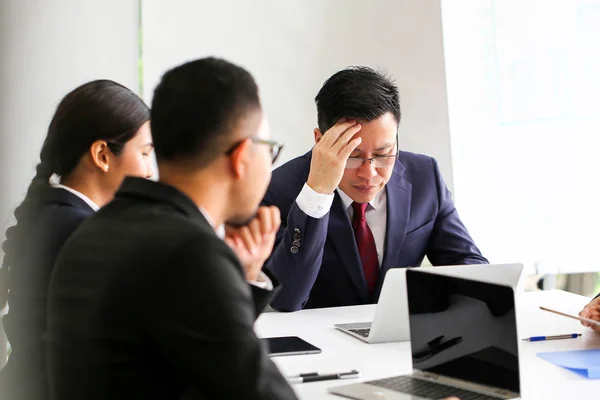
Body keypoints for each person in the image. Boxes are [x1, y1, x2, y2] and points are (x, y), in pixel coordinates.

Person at [45, 58, 297, 400]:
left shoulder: (99, 227)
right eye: (270, 151)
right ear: (241, 157)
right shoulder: (189, 252)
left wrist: (242, 276)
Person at [262, 67, 488, 311]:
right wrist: (317, 192)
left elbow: (466, 261)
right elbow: (286, 300)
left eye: (382, 154)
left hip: (401, 339)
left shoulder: (424, 176)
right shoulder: (279, 189)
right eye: (352, 155)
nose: (368, 173)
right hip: (323, 345)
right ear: (320, 142)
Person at [0, 80, 153, 400]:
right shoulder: (81, 233)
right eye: (144, 153)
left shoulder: (55, 216)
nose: (150, 171)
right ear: (102, 155)